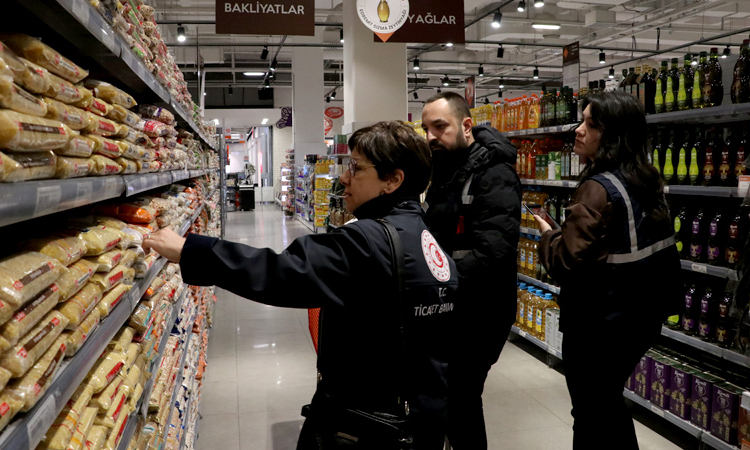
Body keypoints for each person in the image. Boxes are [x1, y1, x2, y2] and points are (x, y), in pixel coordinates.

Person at [143, 121, 458, 450]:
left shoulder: (367, 241)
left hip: (365, 424)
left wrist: (191, 251)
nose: (343, 177)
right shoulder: (426, 239)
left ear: (392, 180)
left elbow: (281, 272)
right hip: (421, 420)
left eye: (356, 168)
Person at [534, 91, 680, 449]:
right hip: (639, 320)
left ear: (613, 134)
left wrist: (548, 236)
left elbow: (566, 262)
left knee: (590, 412)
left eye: (591, 124)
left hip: (597, 326)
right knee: (607, 404)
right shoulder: (646, 181)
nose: (579, 130)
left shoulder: (597, 190)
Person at [420, 92, 521, 449]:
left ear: (466, 126)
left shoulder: (494, 173)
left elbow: (494, 250)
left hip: (483, 309)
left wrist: (438, 279)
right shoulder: (446, 168)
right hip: (455, 303)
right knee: (450, 396)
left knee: (461, 396)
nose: (431, 136)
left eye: (440, 126)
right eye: (426, 128)